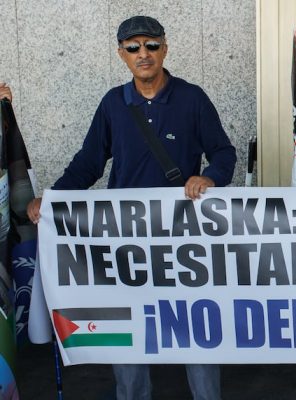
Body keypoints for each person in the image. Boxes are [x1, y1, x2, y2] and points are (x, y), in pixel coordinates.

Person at [25, 16, 235, 400]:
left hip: (183, 238)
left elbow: (223, 151)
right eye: (134, 47)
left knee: (194, 325)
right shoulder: (112, 104)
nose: (144, 54)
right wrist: (53, 199)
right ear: (121, 53)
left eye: (151, 45)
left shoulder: (192, 98)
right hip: (126, 239)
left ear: (165, 48)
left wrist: (211, 177)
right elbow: (88, 164)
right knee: (129, 328)